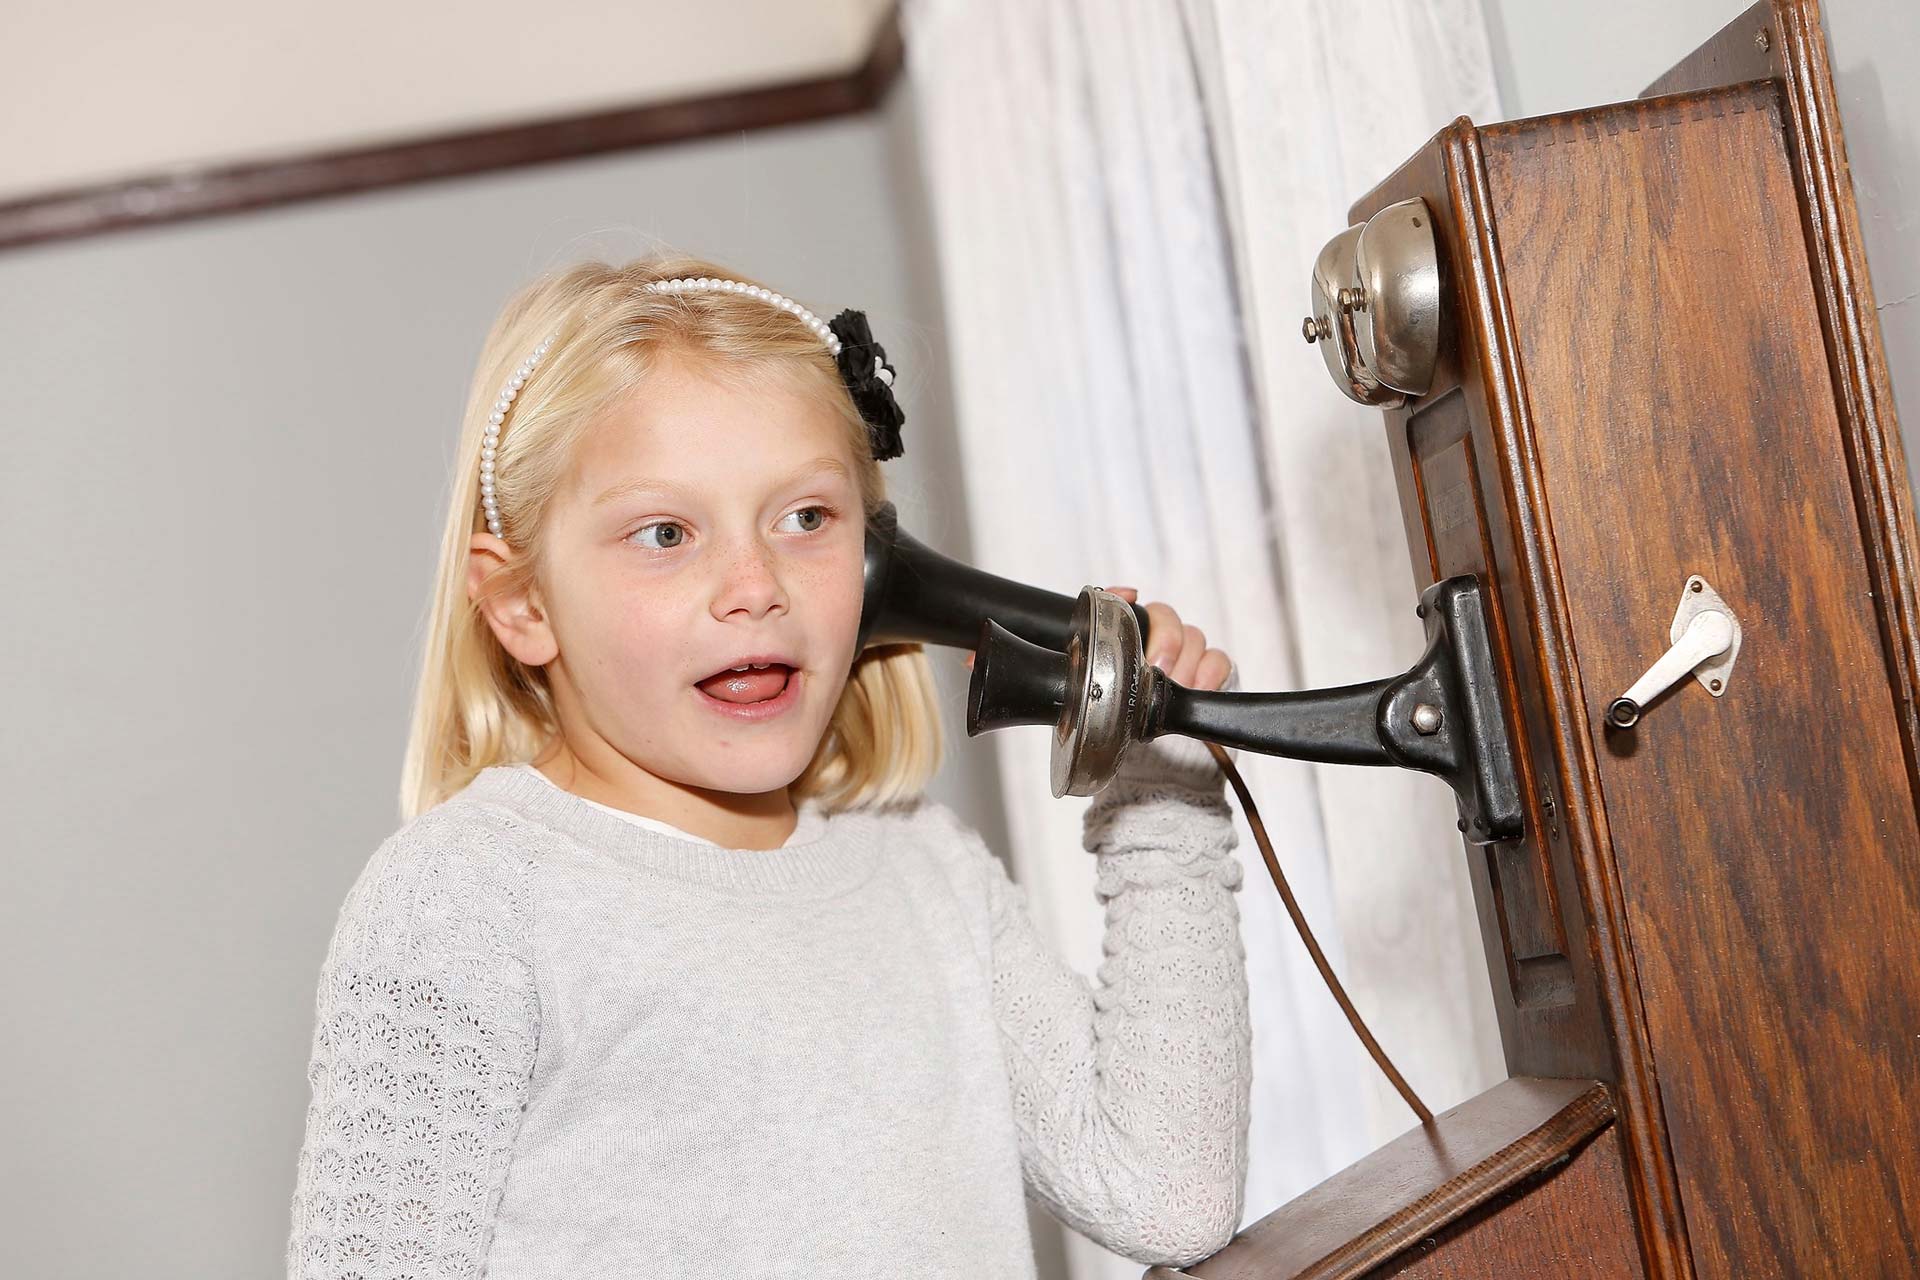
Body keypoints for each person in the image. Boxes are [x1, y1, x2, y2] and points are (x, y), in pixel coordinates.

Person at [284, 254, 1252, 1278]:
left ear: (880, 568)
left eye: (805, 518)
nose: (753, 585)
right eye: (665, 533)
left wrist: (1161, 789)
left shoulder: (925, 869)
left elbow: (1168, 1196)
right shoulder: (469, 898)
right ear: (522, 601)